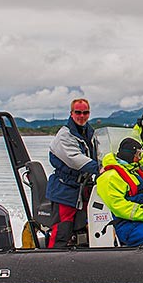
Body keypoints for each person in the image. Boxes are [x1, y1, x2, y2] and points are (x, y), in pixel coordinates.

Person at [95, 137, 143, 247]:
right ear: (129, 155)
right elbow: (118, 206)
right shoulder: (110, 177)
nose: (140, 158)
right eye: (138, 154)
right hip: (126, 223)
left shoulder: (134, 171)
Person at [46, 97, 99, 248]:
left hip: (83, 188)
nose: (82, 116)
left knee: (87, 225)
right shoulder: (64, 135)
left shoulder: (90, 133)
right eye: (78, 112)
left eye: (85, 112)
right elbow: (75, 159)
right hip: (65, 189)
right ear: (71, 113)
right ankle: (51, 259)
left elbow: (99, 153)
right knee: (62, 229)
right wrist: (99, 168)